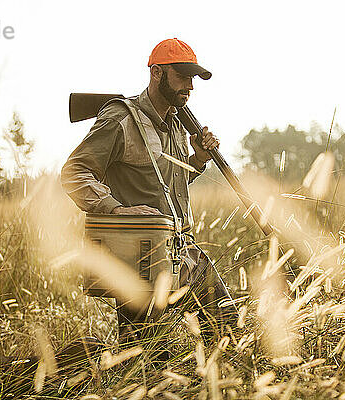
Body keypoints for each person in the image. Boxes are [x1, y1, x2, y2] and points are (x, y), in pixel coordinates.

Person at [61, 38, 236, 346]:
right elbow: (74, 172)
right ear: (157, 73)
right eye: (182, 76)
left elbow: (170, 187)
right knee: (148, 361)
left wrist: (197, 160)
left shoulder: (178, 125)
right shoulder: (121, 119)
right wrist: (116, 209)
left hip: (183, 252)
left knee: (227, 327)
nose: (190, 87)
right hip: (140, 260)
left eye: (192, 79)